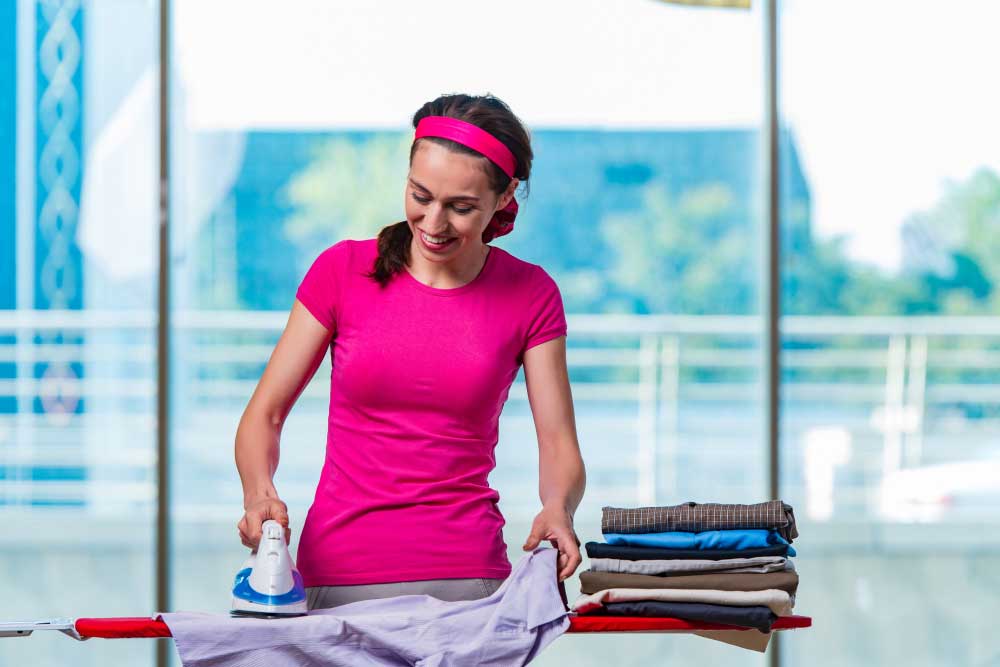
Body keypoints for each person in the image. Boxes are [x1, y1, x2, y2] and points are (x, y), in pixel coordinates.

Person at [234, 93, 586, 610]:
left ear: (505, 196)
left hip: (470, 581)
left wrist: (558, 508)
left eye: (461, 207)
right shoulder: (341, 272)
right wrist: (259, 492)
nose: (434, 223)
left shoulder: (531, 294)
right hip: (339, 575)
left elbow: (556, 439)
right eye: (420, 195)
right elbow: (263, 414)